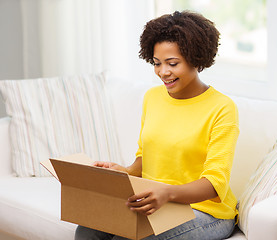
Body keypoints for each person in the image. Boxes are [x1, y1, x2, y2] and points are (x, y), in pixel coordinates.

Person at [75, 10, 239, 240]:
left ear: (197, 58)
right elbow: (145, 157)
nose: (163, 72)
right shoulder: (152, 97)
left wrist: (168, 193)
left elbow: (214, 183)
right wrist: (123, 172)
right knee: (87, 228)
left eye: (173, 63)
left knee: (132, 237)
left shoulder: (222, 107)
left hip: (207, 212)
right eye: (157, 63)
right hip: (158, 203)